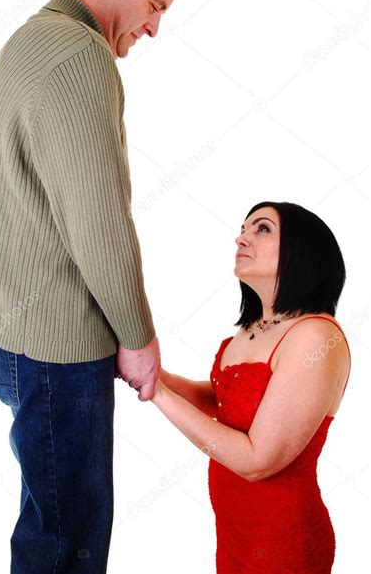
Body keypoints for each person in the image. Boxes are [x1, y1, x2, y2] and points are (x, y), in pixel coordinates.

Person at [0, 0, 195, 573]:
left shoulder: (33, 39)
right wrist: (139, 339)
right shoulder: (80, 57)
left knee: (49, 518)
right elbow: (99, 224)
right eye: (153, 3)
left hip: (7, 331)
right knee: (68, 538)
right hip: (55, 347)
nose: (152, 26)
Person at [152, 201, 351, 573]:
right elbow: (221, 402)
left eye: (262, 229)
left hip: (282, 543)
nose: (241, 238)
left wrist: (157, 394)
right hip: (235, 535)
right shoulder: (254, 328)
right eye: (244, 229)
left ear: (303, 250)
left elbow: (256, 462)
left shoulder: (315, 337)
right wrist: (152, 374)